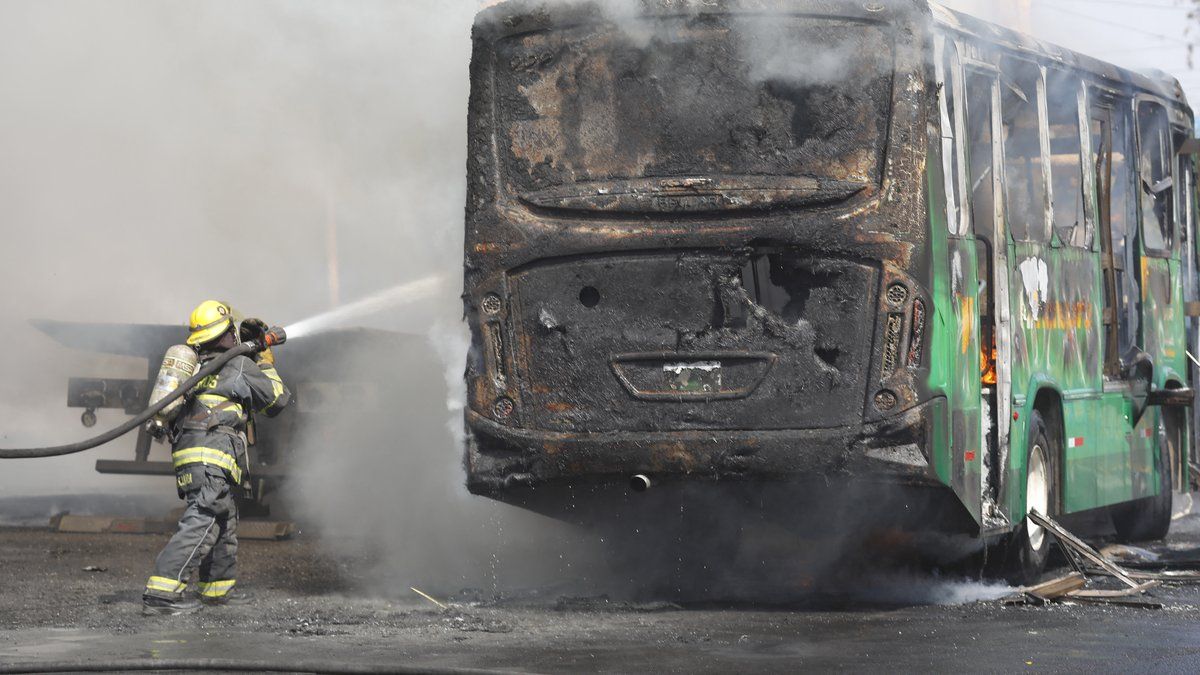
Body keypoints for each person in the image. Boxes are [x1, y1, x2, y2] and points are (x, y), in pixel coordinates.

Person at [142, 300, 291, 615]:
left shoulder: (196, 368)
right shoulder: (238, 366)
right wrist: (264, 360)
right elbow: (277, 401)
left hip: (193, 455)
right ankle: (161, 595)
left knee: (223, 520)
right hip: (214, 455)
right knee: (205, 519)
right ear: (227, 333)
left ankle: (216, 592)